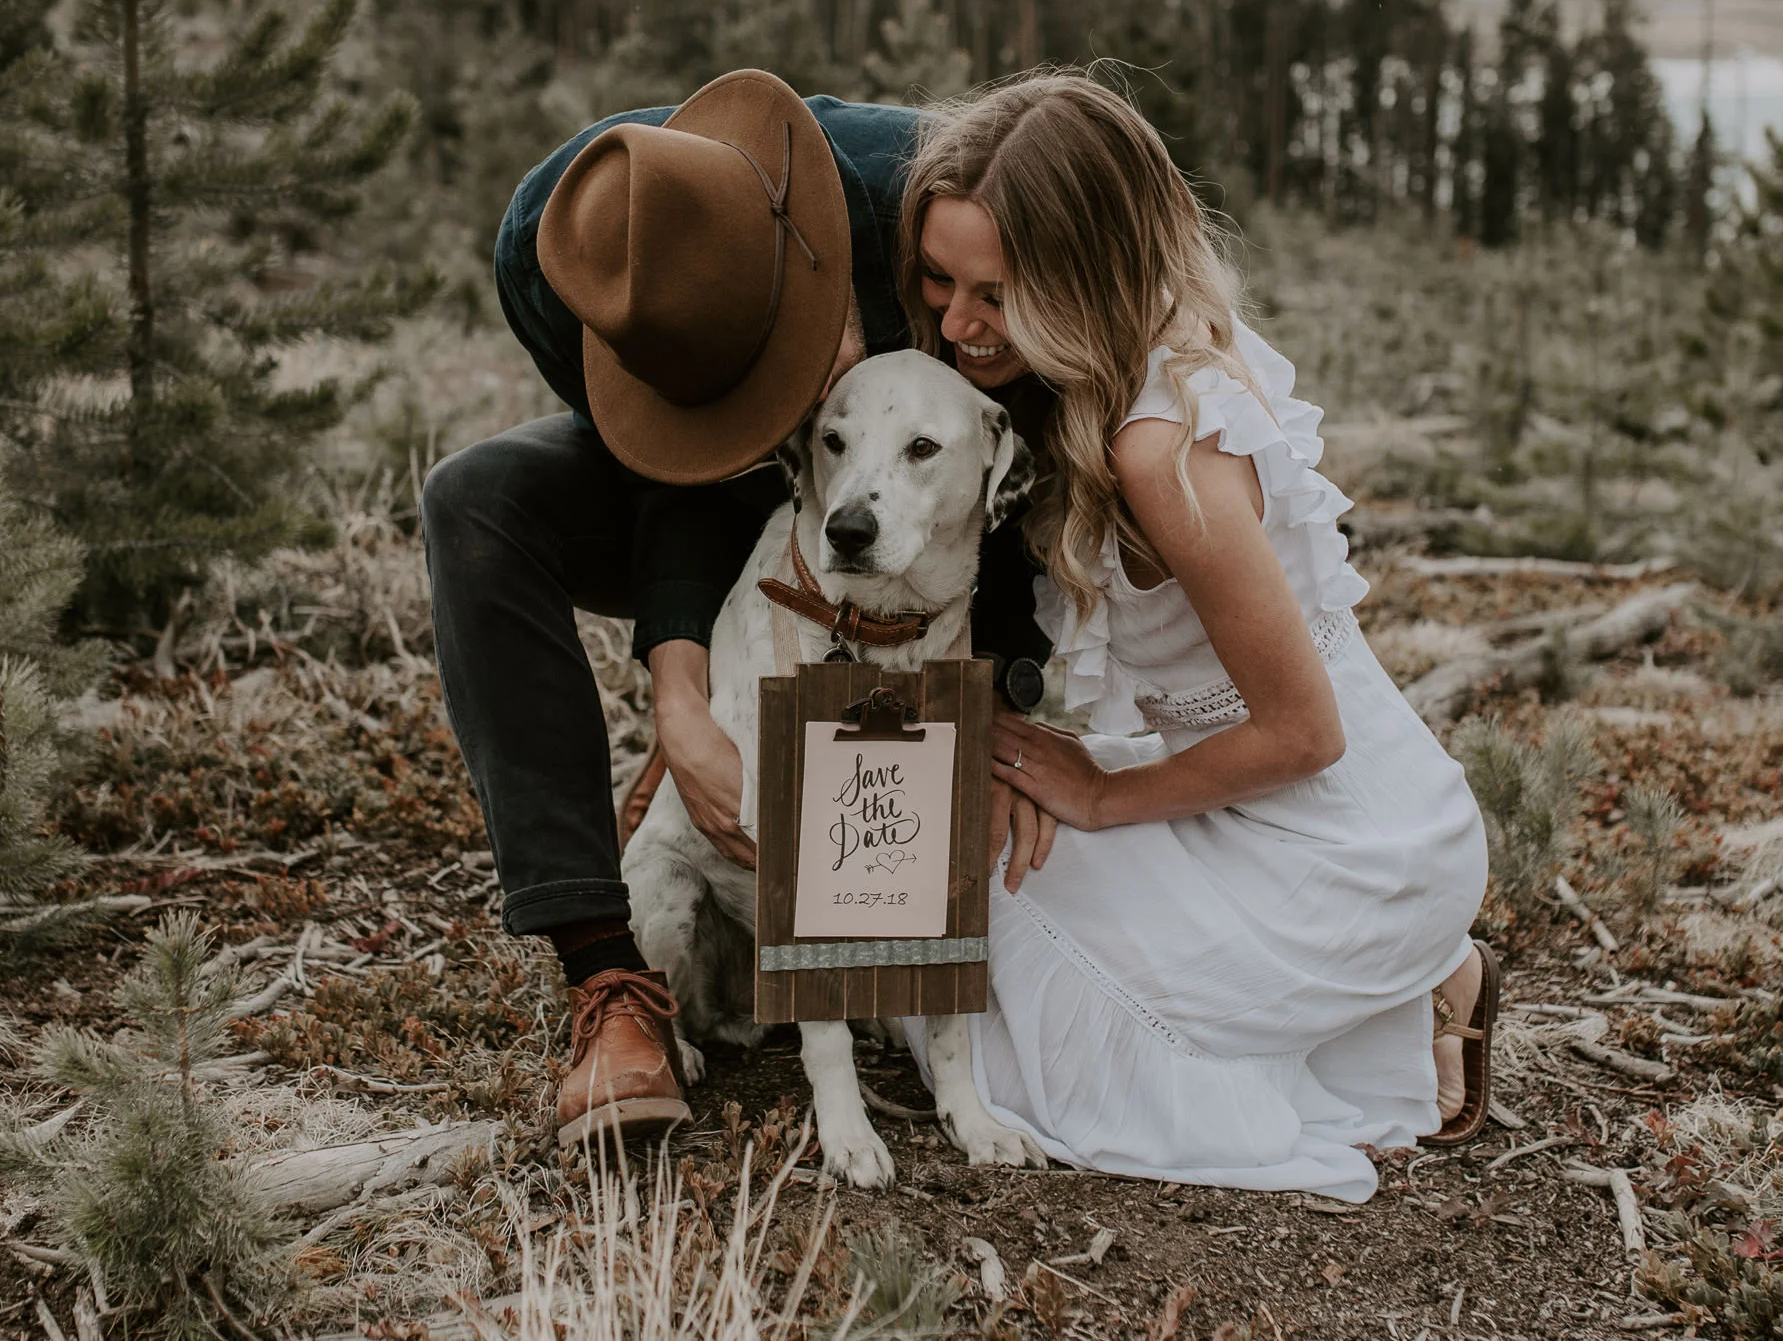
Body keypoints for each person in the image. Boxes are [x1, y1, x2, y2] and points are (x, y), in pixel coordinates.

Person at [420, 68, 1056, 1149]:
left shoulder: (944, 202)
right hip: (738, 481)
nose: (788, 396)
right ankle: (612, 978)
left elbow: (1019, 472)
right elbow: (679, 463)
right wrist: (682, 693)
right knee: (474, 499)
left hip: (923, 511)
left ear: (824, 267)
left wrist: (1004, 696)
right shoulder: (562, 262)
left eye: (797, 362)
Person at [897, 72, 1497, 1197]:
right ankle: (1391, 990)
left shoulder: (1157, 449)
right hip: (1269, 798)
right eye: (939, 279)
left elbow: (1305, 732)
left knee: (975, 925)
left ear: (1082, 281)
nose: (955, 324)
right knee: (936, 876)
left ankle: (1416, 973)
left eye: (995, 293)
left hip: (1342, 841)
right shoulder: (1141, 351)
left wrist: (1105, 796)